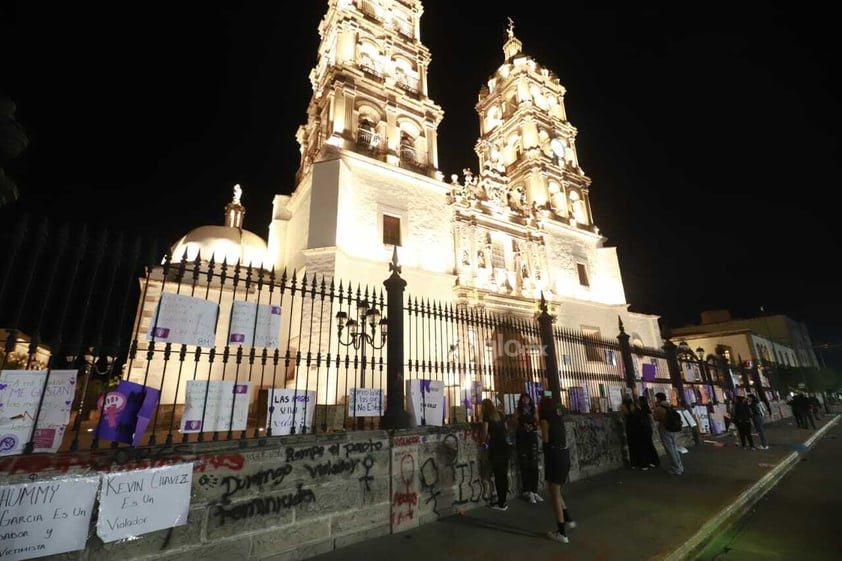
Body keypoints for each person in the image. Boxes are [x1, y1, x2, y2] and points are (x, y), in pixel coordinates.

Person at [538, 396, 576, 543]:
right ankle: (568, 519)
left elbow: (546, 442)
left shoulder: (544, 421)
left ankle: (562, 533)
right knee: (556, 490)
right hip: (564, 454)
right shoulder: (558, 419)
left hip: (554, 457)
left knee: (553, 495)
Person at [479, 398, 511, 511]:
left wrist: (484, 441)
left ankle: (501, 503)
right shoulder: (500, 415)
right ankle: (504, 499)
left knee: (498, 475)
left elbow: (484, 433)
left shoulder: (487, 417)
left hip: (496, 448)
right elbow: (507, 429)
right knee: (503, 474)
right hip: (504, 447)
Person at [514, 392, 542, 503]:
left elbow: (537, 420)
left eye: (527, 398)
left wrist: (533, 424)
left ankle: (534, 491)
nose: (525, 400)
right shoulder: (518, 410)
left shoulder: (533, 409)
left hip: (532, 438)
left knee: (534, 465)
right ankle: (528, 490)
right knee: (525, 465)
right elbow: (515, 422)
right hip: (522, 439)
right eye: (523, 398)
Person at [620, 392, 658, 470]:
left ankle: (634, 463)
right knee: (642, 446)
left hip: (629, 429)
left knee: (632, 446)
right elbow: (644, 415)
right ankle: (645, 463)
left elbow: (623, 419)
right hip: (639, 428)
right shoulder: (635, 406)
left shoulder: (622, 407)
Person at [652, 392, 683, 475]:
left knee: (670, 450)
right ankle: (679, 466)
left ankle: (676, 468)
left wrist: (655, 407)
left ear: (658, 399)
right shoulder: (669, 405)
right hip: (673, 429)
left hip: (664, 429)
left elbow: (655, 417)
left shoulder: (659, 408)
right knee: (674, 448)